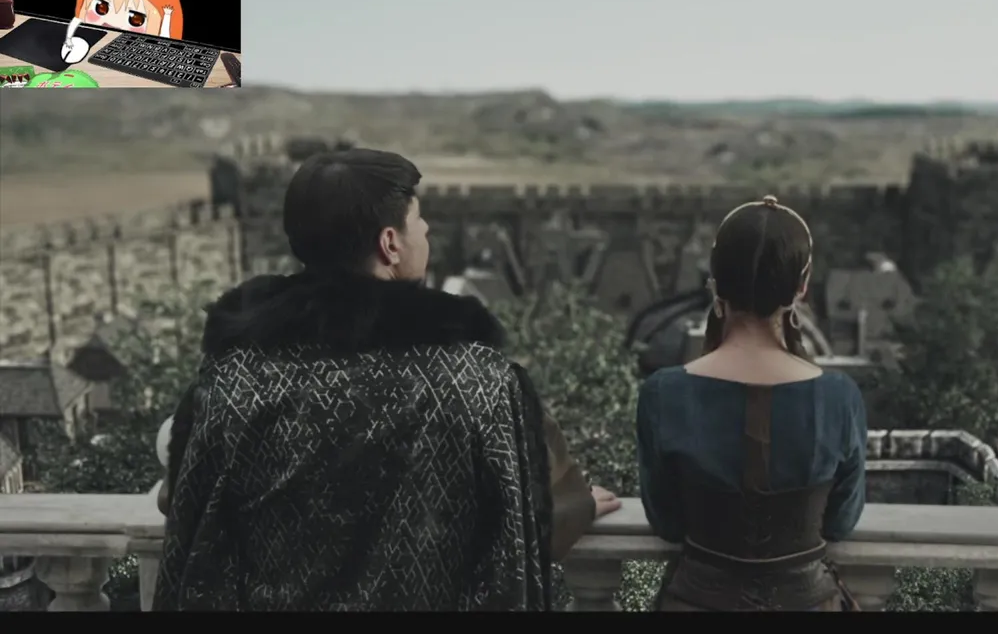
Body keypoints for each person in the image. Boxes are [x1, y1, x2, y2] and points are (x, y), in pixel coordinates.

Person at [155, 148, 619, 611]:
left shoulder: (233, 382)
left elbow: (188, 510)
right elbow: (532, 519)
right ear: (390, 244)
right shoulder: (480, 383)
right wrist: (578, 506)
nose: (426, 233)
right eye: (419, 223)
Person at [636, 194, 867, 612]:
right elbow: (840, 522)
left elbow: (667, 523)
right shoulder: (839, 397)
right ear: (801, 285)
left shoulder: (663, 393)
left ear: (715, 281)